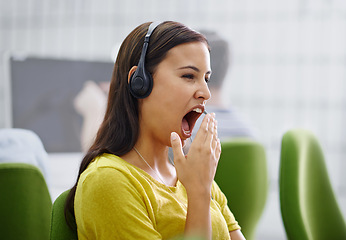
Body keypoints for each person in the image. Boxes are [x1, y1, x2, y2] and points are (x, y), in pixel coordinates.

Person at [65, 21, 246, 240]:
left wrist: (200, 186)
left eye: (206, 79)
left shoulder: (192, 172)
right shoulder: (108, 181)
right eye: (189, 76)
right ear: (139, 83)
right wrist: (198, 194)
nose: (206, 93)